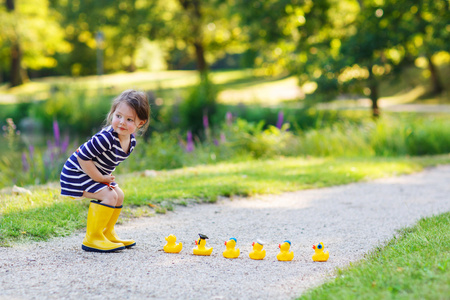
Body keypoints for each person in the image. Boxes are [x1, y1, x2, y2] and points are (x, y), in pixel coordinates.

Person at [60, 89, 150, 252]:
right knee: (109, 195)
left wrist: (103, 177)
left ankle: (106, 233)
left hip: (91, 173)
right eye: (118, 116)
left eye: (129, 119)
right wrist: (100, 178)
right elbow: (82, 156)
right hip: (75, 173)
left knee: (119, 195)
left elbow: (107, 161)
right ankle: (92, 238)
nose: (122, 122)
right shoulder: (106, 139)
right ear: (112, 113)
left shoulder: (131, 141)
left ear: (140, 123)